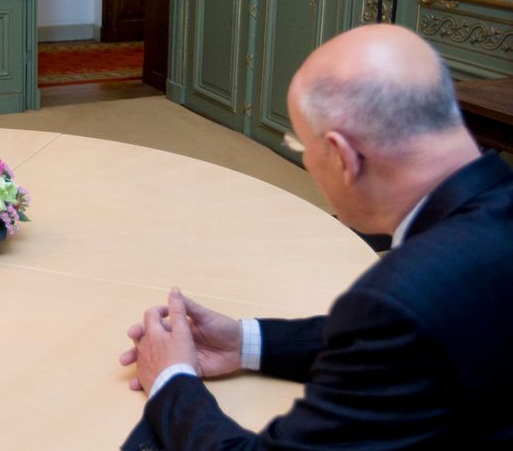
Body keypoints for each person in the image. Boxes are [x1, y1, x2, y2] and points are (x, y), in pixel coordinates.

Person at [120, 24, 513, 449]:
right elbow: (416, 341)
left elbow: (401, 326)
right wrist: (246, 342)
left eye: (298, 144)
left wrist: (170, 379)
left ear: (343, 155)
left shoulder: (398, 298)